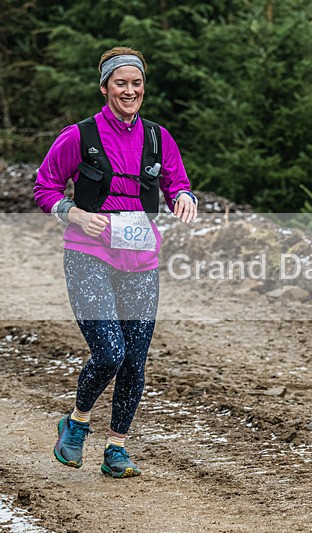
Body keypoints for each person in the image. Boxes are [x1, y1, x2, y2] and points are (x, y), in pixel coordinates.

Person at [34, 47, 197, 478]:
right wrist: (75, 213)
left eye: (136, 83)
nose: (129, 90)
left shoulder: (159, 138)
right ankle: (77, 421)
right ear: (104, 87)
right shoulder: (78, 136)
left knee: (135, 360)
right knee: (109, 352)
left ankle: (117, 449)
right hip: (88, 257)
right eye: (120, 83)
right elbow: (45, 187)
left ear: (144, 87)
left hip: (141, 261)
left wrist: (184, 197)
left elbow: (176, 181)